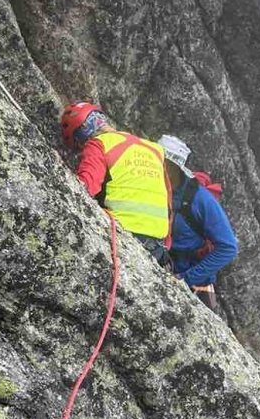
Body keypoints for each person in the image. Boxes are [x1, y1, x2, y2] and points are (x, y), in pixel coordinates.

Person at [60, 102, 172, 266]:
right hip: (158, 247)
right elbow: (168, 203)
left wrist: (60, 170)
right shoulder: (154, 149)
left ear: (81, 134)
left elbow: (86, 187)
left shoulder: (99, 144)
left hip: (124, 236)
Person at [157, 135, 238, 311]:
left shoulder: (200, 199)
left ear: (174, 167)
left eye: (162, 162)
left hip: (193, 278)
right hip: (163, 264)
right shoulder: (155, 186)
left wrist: (187, 278)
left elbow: (228, 247)